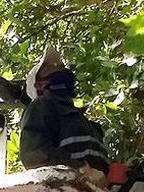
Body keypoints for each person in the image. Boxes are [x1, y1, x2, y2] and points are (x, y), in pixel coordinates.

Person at [19, 49, 109, 180]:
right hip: (69, 186)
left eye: (60, 66)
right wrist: (79, 167)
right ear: (39, 85)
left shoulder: (79, 119)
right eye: (48, 68)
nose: (58, 69)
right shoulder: (41, 106)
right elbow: (34, 154)